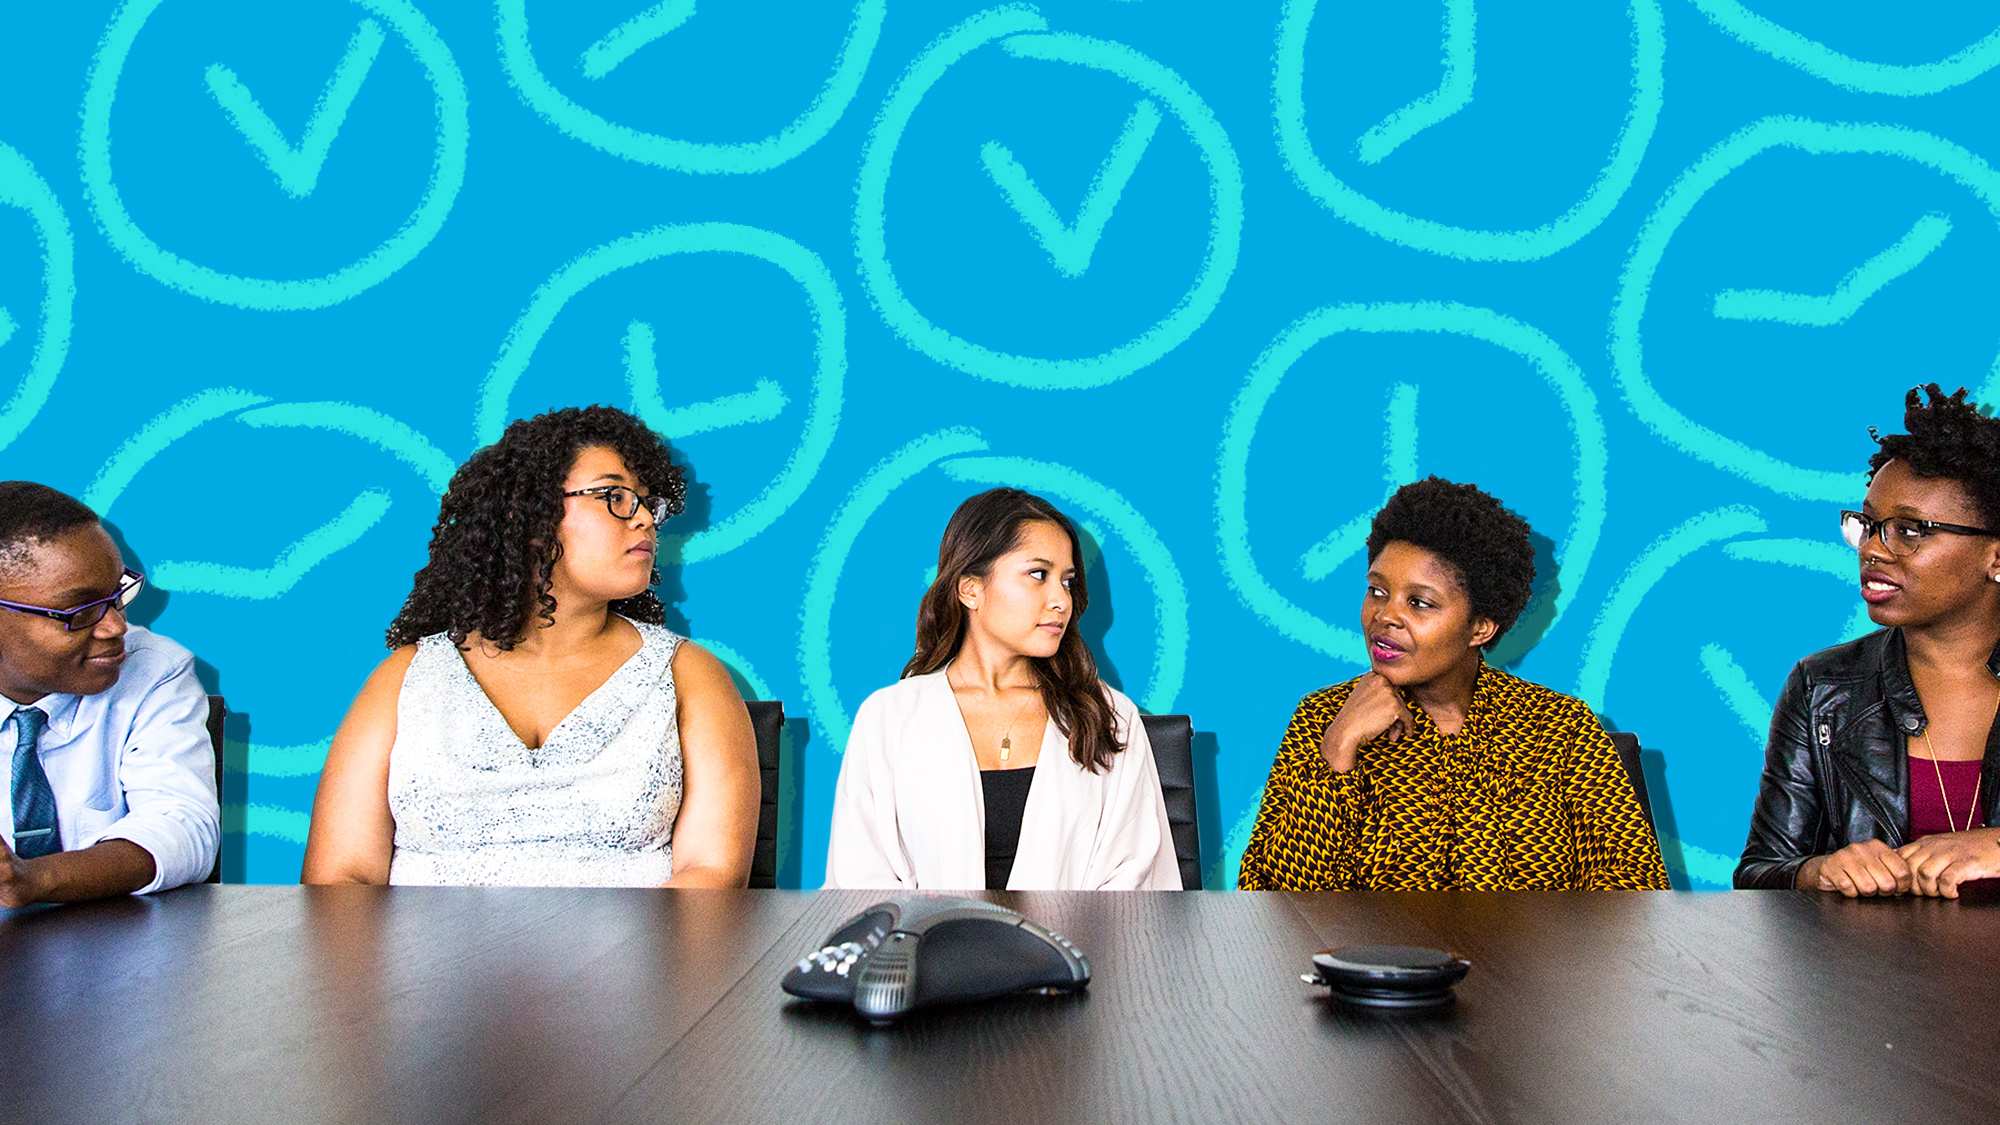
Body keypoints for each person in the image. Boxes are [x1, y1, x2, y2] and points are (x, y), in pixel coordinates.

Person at [301, 406, 758, 887]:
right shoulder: (407, 677)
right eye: (614, 496)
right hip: (418, 962)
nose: (645, 519)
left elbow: (711, 876)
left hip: (639, 960)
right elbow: (339, 878)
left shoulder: (689, 675)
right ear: (532, 518)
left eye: (647, 503)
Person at [1238, 477, 1666, 891]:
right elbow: (1271, 904)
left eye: (1419, 603)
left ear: (1480, 627)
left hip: (1532, 965)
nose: (1385, 617)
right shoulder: (1323, 716)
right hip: (1374, 964)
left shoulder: (1559, 728)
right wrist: (1338, 749)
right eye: (1377, 591)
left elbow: (1635, 893)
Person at [826, 488, 1180, 890]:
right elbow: (860, 881)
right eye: (1037, 575)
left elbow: (1137, 881)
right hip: (924, 950)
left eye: (1066, 581)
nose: (1060, 600)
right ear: (970, 589)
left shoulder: (1108, 716)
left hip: (1080, 950)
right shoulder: (888, 718)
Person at [1737, 385, 2000, 897]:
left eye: (1910, 530)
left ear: (1996, 557)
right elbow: (1759, 873)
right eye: (1870, 524)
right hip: (1871, 974)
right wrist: (1816, 872)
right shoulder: (1823, 686)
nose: (1874, 549)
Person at [0, 482, 219, 907]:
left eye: (115, 596)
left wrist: (32, 879)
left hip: (115, 955)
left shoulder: (154, 669)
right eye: (79, 612)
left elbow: (182, 827)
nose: (114, 627)